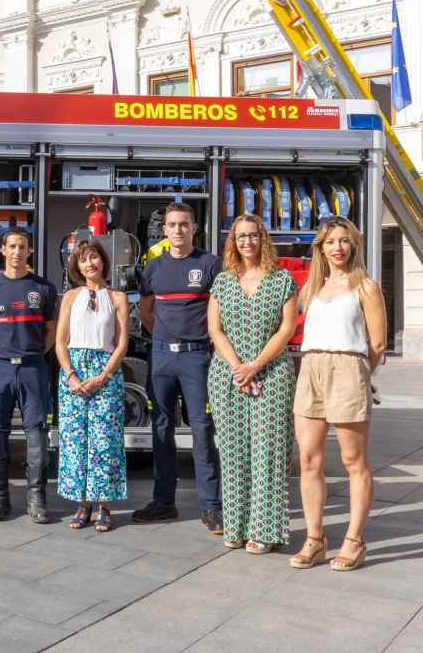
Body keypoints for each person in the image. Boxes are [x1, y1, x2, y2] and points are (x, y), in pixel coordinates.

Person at [290, 217, 385, 572]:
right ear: (320, 247)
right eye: (330, 242)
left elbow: (377, 343)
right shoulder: (312, 288)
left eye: (344, 241)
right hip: (311, 369)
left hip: (348, 368)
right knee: (309, 460)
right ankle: (315, 539)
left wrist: (358, 376)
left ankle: (354, 540)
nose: (337, 248)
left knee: (352, 462)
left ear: (354, 245)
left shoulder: (366, 286)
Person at [207, 214, 298, 553]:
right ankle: (236, 526)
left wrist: (255, 365)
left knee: (269, 453)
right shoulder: (223, 281)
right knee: (233, 453)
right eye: (240, 236)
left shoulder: (283, 280)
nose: (246, 242)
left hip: (271, 374)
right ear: (233, 242)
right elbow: (215, 329)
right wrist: (237, 368)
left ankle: (265, 531)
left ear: (263, 239)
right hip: (228, 377)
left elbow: (286, 330)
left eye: (253, 235)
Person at [133, 202, 224, 535]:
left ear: (194, 228)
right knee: (161, 429)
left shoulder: (211, 265)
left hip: (196, 358)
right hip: (161, 357)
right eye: (172, 225)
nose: (178, 230)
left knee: (202, 430)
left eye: (184, 224)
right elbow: (146, 311)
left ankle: (211, 506)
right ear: (165, 230)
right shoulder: (153, 268)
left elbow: (220, 311)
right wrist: (163, 337)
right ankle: (163, 502)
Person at [0, 229, 58, 524]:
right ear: (3, 251)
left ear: (30, 251)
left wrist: (34, 353)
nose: (17, 252)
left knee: (36, 434)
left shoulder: (43, 288)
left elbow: (52, 330)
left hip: (33, 368)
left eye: (22, 247)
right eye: (12, 246)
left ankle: (37, 499)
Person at [54, 239, 130, 533]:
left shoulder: (119, 297)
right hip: (74, 370)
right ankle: (82, 504)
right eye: (84, 259)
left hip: (105, 371)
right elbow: (61, 341)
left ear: (103, 261)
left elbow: (122, 343)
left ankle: (105, 506)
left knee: (105, 441)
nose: (90, 264)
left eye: (94, 257)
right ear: (77, 265)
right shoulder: (70, 296)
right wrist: (71, 375)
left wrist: (103, 375)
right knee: (75, 441)